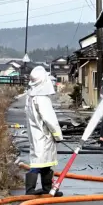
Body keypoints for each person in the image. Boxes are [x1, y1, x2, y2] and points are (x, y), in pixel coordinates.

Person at [24, 66, 63, 196]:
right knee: (38, 162)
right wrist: (58, 135)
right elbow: (50, 120)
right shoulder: (42, 99)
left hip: (36, 135)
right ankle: (30, 190)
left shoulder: (31, 96)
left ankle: (48, 189)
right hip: (44, 135)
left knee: (45, 162)